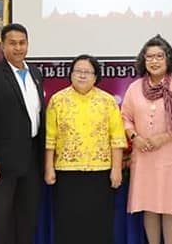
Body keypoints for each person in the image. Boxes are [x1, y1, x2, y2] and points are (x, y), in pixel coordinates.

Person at [121, 35, 172, 244]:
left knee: (171, 206)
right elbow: (125, 118)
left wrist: (164, 138)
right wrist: (134, 137)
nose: (154, 61)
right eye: (149, 57)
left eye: (159, 56)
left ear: (168, 59)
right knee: (150, 205)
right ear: (143, 60)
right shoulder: (135, 88)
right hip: (144, 157)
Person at [44, 54, 126, 244]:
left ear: (96, 76)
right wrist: (49, 168)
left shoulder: (107, 101)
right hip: (67, 172)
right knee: (68, 223)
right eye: (78, 71)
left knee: (99, 223)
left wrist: (116, 169)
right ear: (71, 74)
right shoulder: (58, 100)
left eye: (87, 72)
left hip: (100, 172)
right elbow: (50, 138)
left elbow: (116, 138)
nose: (82, 75)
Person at [0, 23, 46, 244]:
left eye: (22, 43)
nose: (18, 48)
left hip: (32, 158)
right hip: (2, 162)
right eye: (12, 43)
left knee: (27, 218)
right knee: (1, 221)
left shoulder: (35, 73)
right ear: (2, 46)